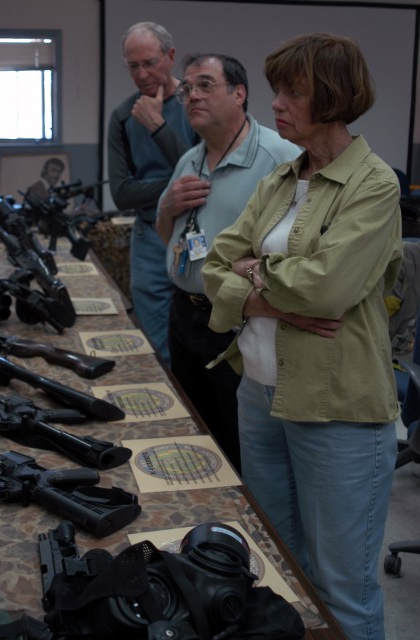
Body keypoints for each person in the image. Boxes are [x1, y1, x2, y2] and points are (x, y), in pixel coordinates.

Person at [202, 33, 402, 639]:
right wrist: (273, 297)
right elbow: (214, 267)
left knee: (341, 589)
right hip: (259, 395)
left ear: (333, 96)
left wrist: (253, 278)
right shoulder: (283, 179)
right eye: (276, 92)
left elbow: (324, 290)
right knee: (282, 572)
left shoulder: (374, 184)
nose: (277, 105)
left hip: (335, 409)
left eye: (293, 91)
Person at [156, 53, 300, 471]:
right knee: (195, 428)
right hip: (183, 312)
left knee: (239, 443)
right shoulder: (190, 159)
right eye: (186, 89)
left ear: (240, 94)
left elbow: (297, 249)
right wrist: (167, 206)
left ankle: (240, 531)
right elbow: (168, 237)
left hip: (240, 320)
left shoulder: (279, 157)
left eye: (205, 85)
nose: (191, 96)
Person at [107, 22, 197, 364]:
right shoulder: (121, 116)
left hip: (196, 233)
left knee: (201, 339)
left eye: (150, 63)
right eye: (133, 66)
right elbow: (122, 194)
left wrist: (157, 127)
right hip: (148, 239)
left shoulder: (196, 103)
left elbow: (206, 175)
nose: (142, 74)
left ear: (170, 57)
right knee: (155, 346)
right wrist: (179, 185)